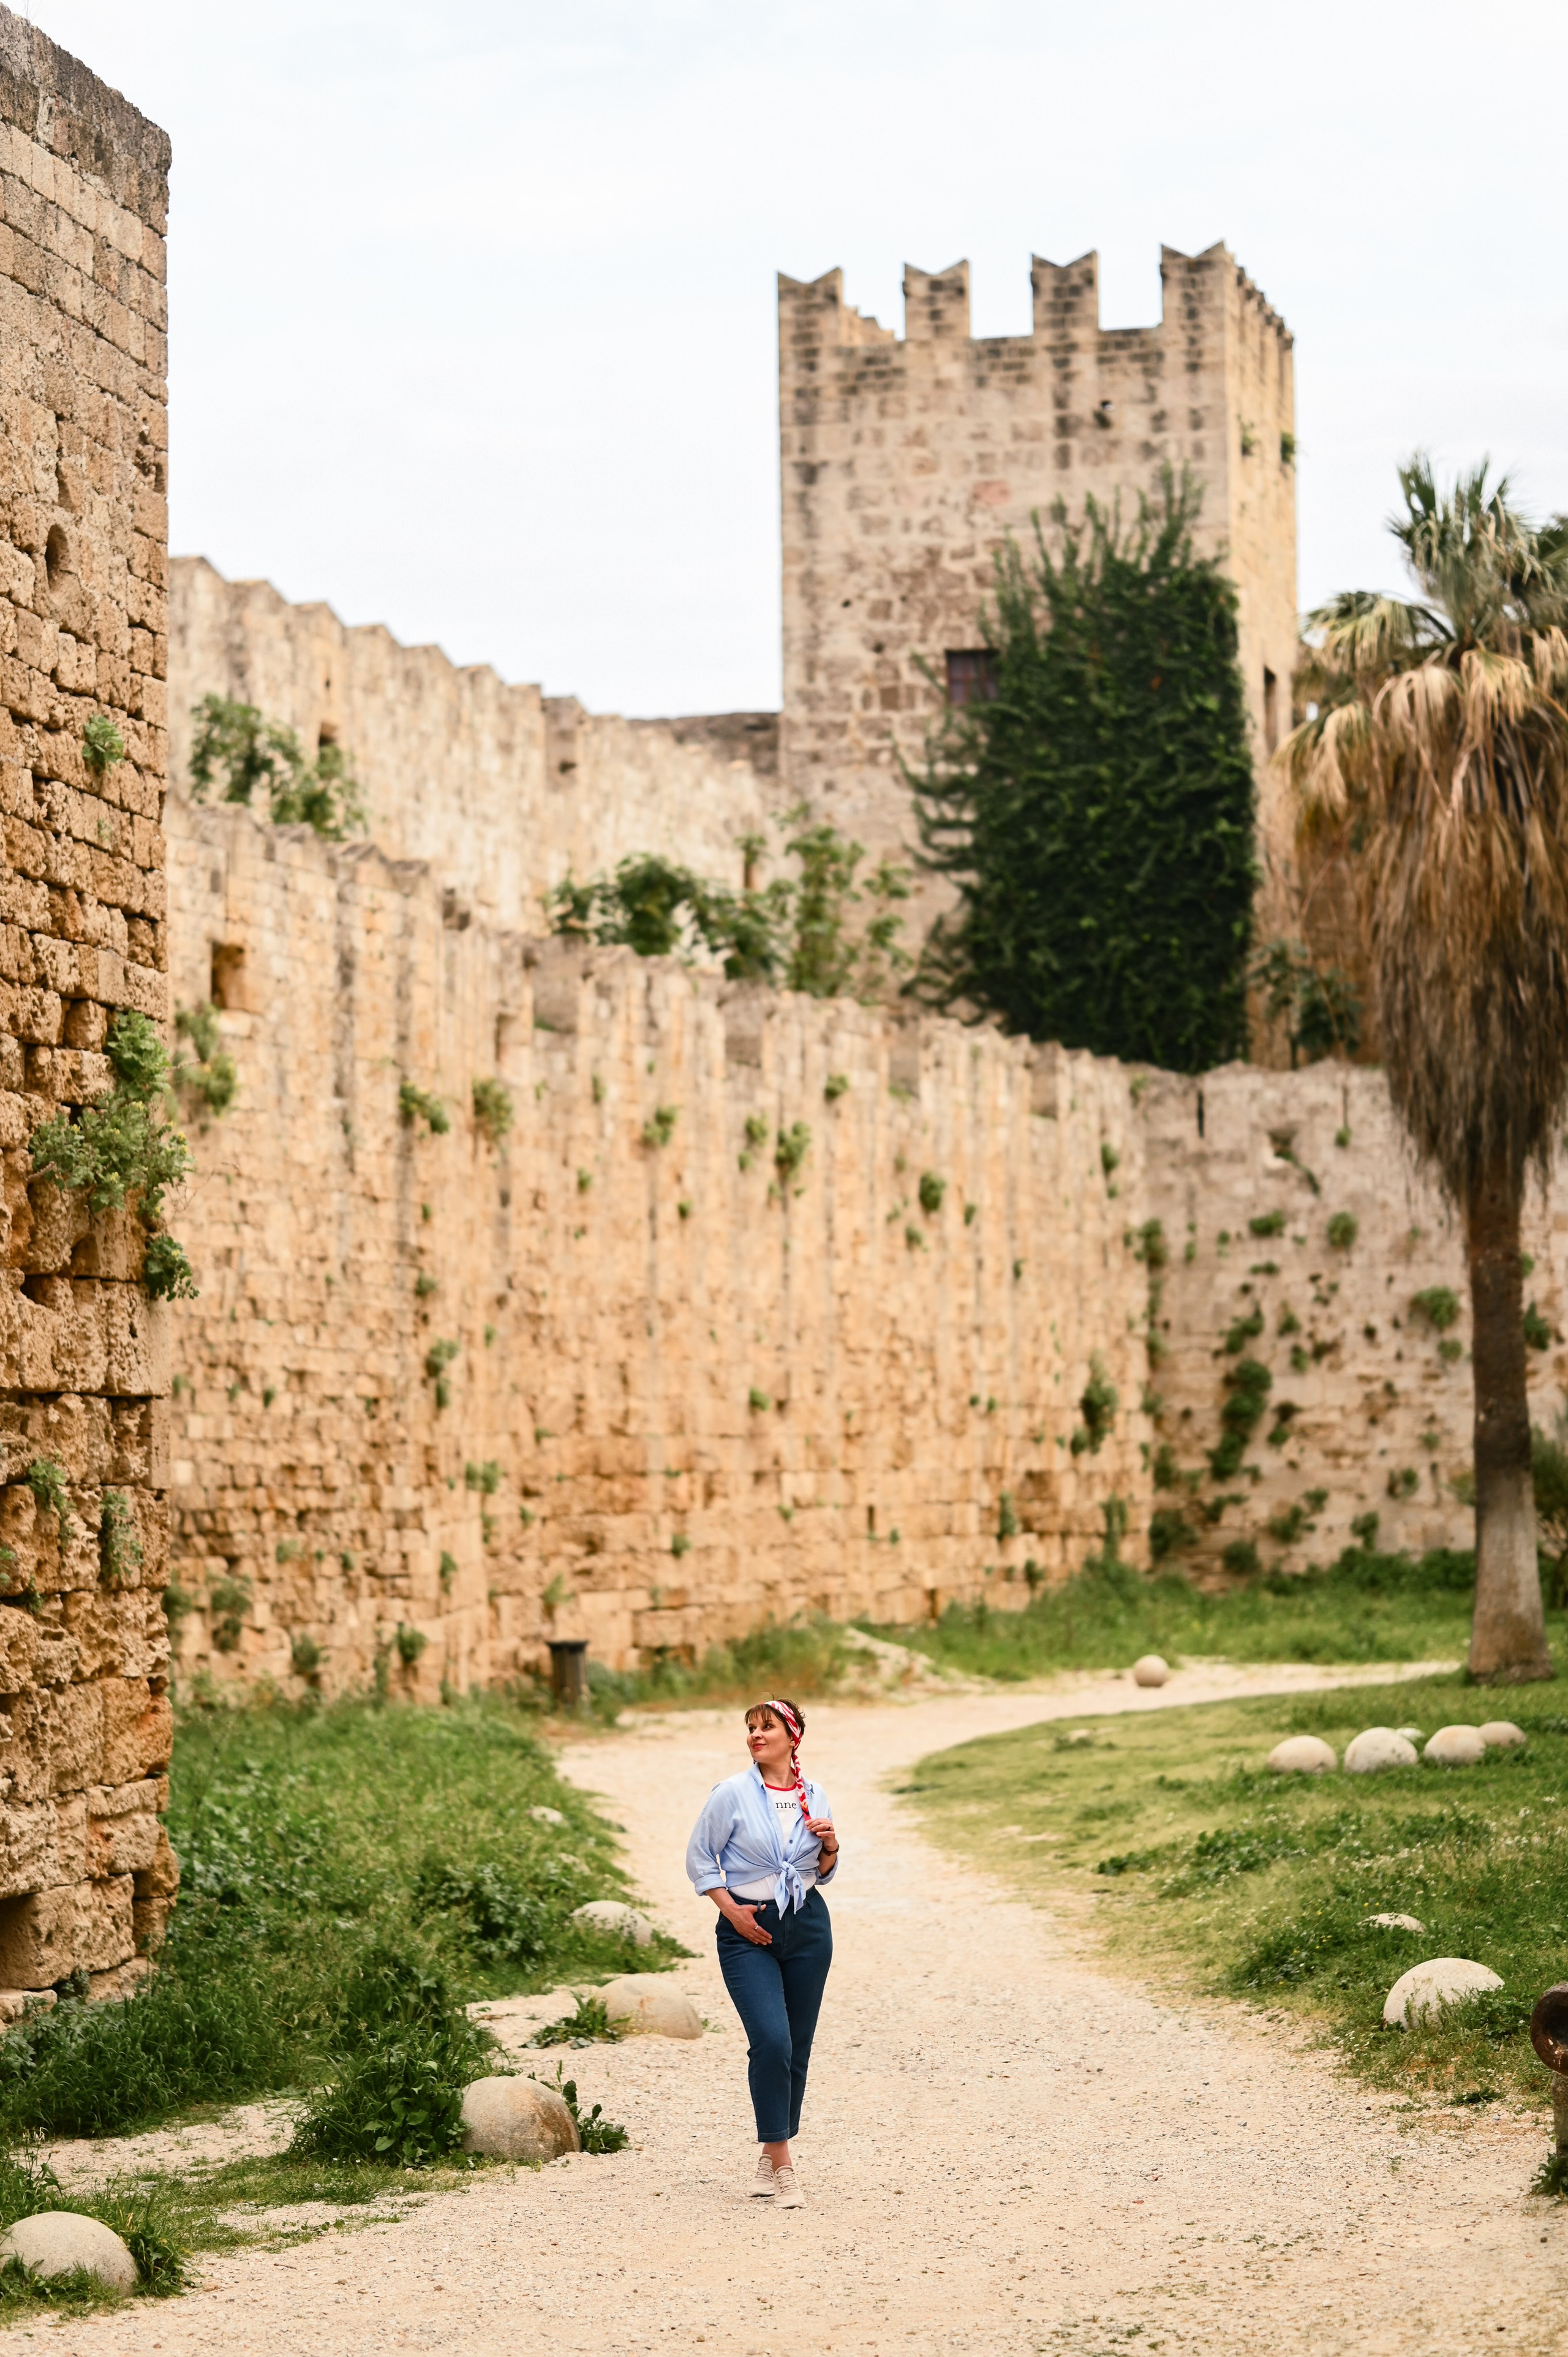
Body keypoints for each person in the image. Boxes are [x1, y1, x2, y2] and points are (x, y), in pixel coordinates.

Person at [684, 1697, 839, 2208]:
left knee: (797, 2046)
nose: (755, 1734)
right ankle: (785, 2165)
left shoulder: (814, 1794)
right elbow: (700, 1858)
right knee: (771, 2041)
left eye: (767, 1726)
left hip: (808, 1926)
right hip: (746, 1930)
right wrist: (732, 1912)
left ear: (793, 1737)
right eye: (751, 1727)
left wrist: (831, 1846)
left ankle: (771, 2153)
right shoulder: (730, 1793)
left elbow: (823, 1872)